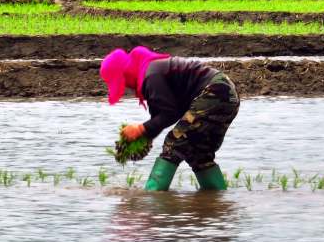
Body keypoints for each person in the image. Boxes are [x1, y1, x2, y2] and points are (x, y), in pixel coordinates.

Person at [100, 46, 240, 191]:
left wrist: (140, 128)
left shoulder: (151, 76)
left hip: (215, 91)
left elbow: (169, 114)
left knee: (173, 143)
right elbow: (161, 117)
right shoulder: (149, 72)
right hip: (227, 94)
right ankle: (217, 200)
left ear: (125, 73)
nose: (127, 87)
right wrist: (144, 136)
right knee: (199, 153)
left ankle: (152, 197)